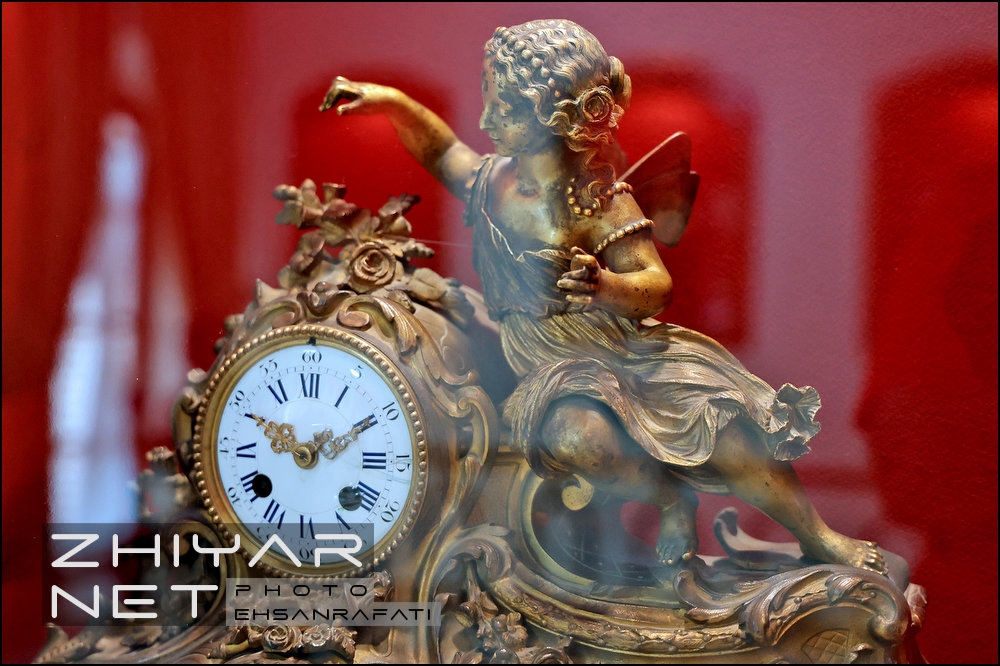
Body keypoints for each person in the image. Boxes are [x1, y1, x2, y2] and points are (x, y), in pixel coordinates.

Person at [320, 19, 885, 574]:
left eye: (505, 108)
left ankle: (816, 534)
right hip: (550, 365)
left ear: (554, 118)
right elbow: (441, 151)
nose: (487, 120)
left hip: (624, 350)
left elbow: (655, 286)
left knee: (724, 421)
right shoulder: (493, 182)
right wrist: (394, 104)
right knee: (576, 438)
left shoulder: (600, 202)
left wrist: (605, 286)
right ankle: (669, 499)